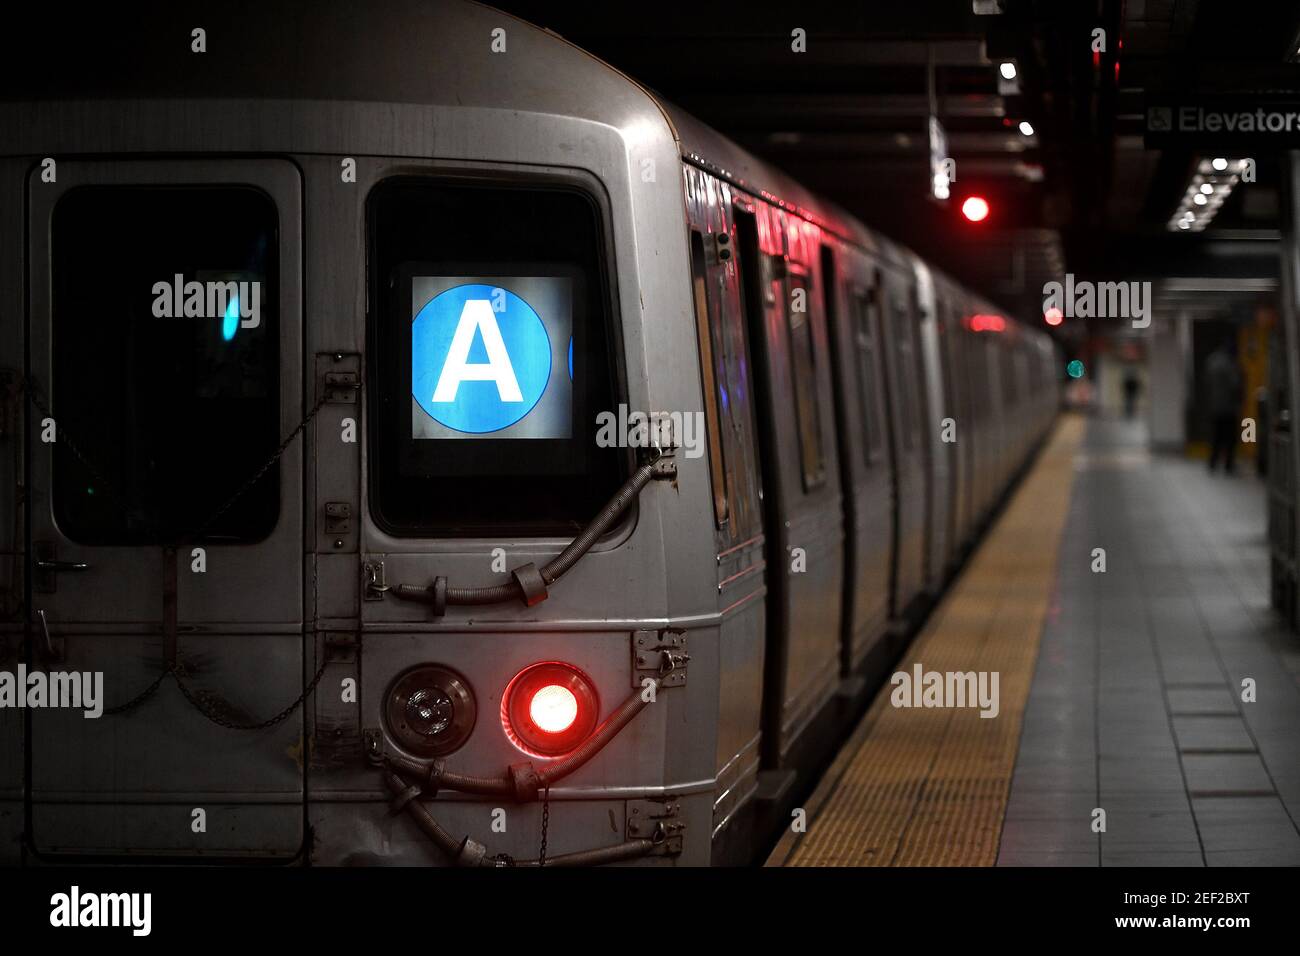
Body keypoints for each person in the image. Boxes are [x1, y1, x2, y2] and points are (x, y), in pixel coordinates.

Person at [1204, 338, 1242, 474]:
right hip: (1228, 407)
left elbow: (1207, 382)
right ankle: (1228, 465)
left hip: (1215, 405)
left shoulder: (1212, 360)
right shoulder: (1229, 363)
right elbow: (1235, 383)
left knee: (1216, 436)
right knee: (1230, 438)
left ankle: (1212, 462)